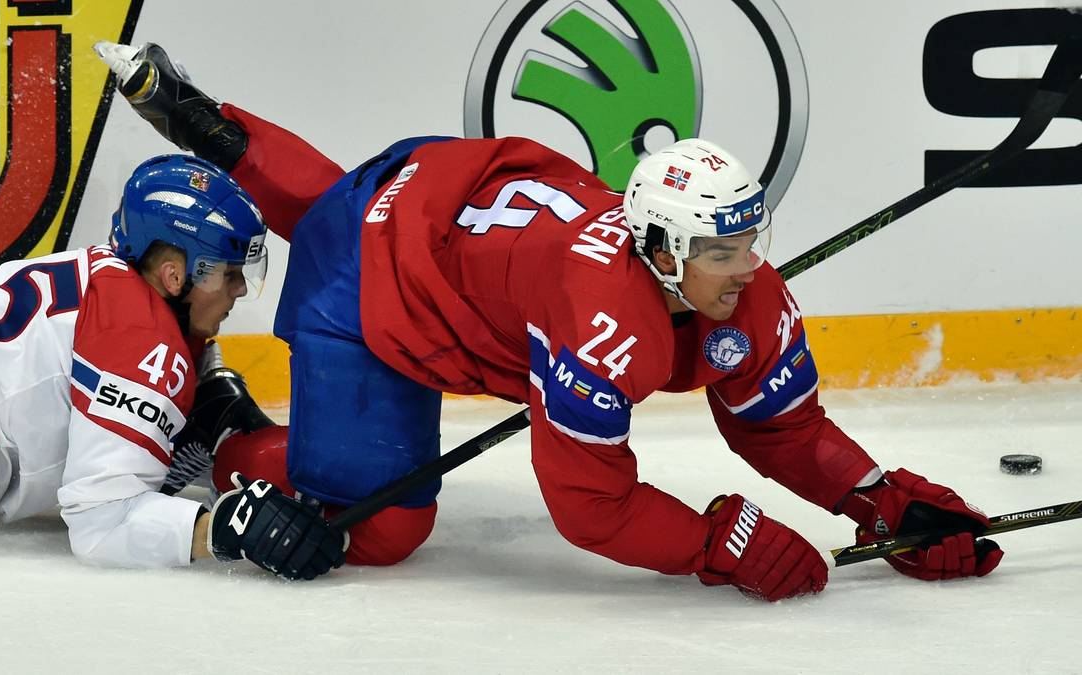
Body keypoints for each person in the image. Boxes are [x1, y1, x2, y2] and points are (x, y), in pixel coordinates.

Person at [96, 41, 1005, 600]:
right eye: (718, 251)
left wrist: (879, 496)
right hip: (376, 290)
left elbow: (784, 424)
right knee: (380, 532)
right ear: (655, 248)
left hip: (445, 202)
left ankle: (216, 130)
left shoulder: (734, 286)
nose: (746, 269)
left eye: (747, 241)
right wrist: (713, 544)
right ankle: (220, 431)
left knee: (349, 205)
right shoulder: (602, 316)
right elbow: (590, 507)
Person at [0, 151, 339, 576]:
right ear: (175, 274)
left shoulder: (113, 278)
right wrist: (222, 530)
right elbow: (103, 524)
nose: (239, 291)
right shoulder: (141, 341)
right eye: (230, 274)